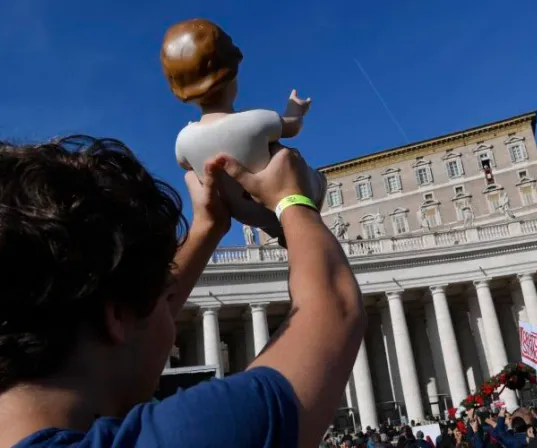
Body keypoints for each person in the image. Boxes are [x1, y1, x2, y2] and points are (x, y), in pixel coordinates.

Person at [0, 137, 365, 447]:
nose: (171, 308)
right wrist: (292, 199)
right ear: (117, 316)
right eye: (164, 297)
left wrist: (207, 228)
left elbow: (137, 325)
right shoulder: (180, 437)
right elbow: (334, 306)